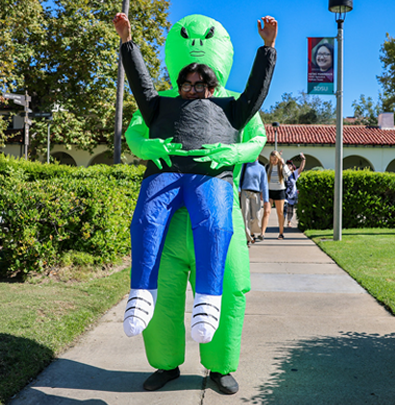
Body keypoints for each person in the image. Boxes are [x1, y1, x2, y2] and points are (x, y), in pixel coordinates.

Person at [124, 14, 269, 395]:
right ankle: (165, 363)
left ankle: (219, 366)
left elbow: (257, 138)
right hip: (167, 215)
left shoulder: (234, 102)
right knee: (163, 288)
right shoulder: (161, 102)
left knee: (231, 286)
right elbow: (136, 131)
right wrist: (145, 146)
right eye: (186, 40)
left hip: (220, 207)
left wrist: (231, 152)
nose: (193, 84)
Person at [239, 160, 268, 245]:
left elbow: (264, 184)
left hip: (256, 193)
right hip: (245, 192)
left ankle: (251, 232)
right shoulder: (244, 166)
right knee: (245, 216)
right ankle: (248, 238)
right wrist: (239, 190)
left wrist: (266, 199)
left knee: (256, 217)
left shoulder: (261, 168)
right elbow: (239, 178)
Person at [263, 150, 290, 239]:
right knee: (266, 211)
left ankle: (281, 233)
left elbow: (288, 175)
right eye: (271, 159)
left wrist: (284, 164)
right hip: (269, 191)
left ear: (278, 159)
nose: (273, 161)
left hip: (279, 191)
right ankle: (262, 233)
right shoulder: (267, 167)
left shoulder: (281, 167)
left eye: (275, 159)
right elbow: (263, 180)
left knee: (280, 213)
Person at [285, 153, 306, 227]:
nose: (288, 167)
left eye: (289, 166)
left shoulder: (294, 174)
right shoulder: (283, 174)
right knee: (284, 209)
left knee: (290, 210)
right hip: (284, 195)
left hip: (292, 195)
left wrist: (303, 159)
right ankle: (282, 222)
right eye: (287, 166)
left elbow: (301, 168)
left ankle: (289, 222)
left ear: (292, 167)